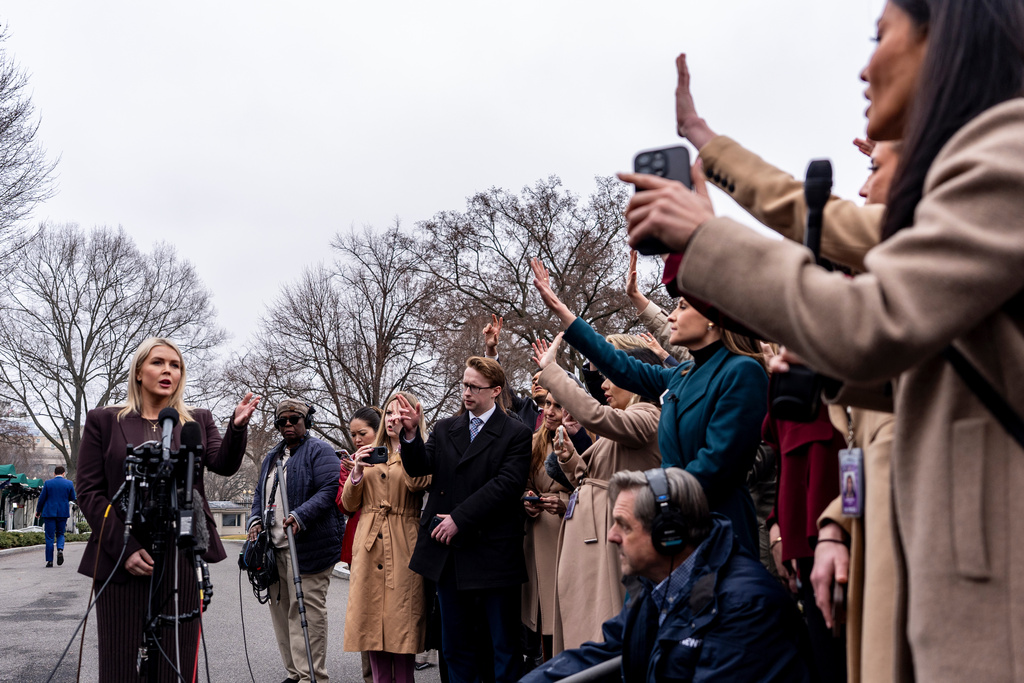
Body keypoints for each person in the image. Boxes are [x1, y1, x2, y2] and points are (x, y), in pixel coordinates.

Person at [621, 2, 1024, 678]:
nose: (864, 68)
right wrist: (709, 146)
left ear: (947, 37)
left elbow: (870, 323)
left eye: (880, 35)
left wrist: (706, 236)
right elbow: (831, 234)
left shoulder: (1007, 156)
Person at [530, 258, 768, 556]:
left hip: (716, 531)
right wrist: (561, 311)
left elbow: (716, 465)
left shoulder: (743, 372)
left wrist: (651, 502)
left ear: (712, 317)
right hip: (669, 529)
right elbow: (620, 365)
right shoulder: (681, 376)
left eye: (681, 307)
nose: (670, 317)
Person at [76, 337, 258, 682]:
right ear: (139, 372)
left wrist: (236, 427)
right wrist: (125, 549)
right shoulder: (104, 420)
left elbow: (223, 462)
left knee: (174, 664)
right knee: (120, 668)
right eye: (158, 363)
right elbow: (89, 491)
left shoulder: (197, 421)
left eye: (175, 366)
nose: (168, 371)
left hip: (180, 556)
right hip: (120, 557)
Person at [521, 467, 812, 682]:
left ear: (668, 534)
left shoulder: (746, 607)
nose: (612, 536)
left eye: (624, 525)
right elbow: (601, 654)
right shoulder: (656, 587)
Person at [397, 356, 533, 683]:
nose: (466, 393)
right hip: (450, 556)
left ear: (496, 390)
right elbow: (419, 468)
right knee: (455, 647)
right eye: (464, 384)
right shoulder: (446, 428)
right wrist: (412, 436)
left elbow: (506, 486)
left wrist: (459, 518)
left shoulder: (516, 432)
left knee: (502, 645)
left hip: (493, 553)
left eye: (474, 387)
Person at [530, 335, 663, 653]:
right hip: (590, 535)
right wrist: (568, 457)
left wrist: (552, 370)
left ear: (635, 377)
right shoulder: (631, 417)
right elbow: (591, 477)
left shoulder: (648, 415)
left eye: (612, 377)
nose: (603, 384)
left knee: (596, 638)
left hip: (603, 537)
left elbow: (596, 417)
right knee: (582, 637)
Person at [247, 399, 344, 683]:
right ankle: (294, 672)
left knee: (307, 614)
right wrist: (255, 519)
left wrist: (301, 516)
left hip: (309, 548)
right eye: (282, 422)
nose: (288, 425)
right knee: (281, 613)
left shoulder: (320, 450)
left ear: (307, 421)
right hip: (274, 547)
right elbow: (258, 494)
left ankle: (312, 676)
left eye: (294, 419)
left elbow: (330, 489)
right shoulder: (272, 456)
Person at [341, 391, 432, 683]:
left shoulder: (422, 450)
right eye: (390, 413)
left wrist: (407, 442)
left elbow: (418, 482)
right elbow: (349, 504)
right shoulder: (370, 452)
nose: (394, 418)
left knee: (401, 629)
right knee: (372, 630)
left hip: (404, 542)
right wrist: (356, 472)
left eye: (401, 413)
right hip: (369, 546)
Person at [521, 389, 591, 662]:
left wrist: (563, 502)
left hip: (570, 533)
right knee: (542, 621)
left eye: (557, 406)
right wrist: (527, 499)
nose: (549, 411)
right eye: (547, 404)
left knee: (567, 618)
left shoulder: (585, 439)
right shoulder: (533, 441)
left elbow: (592, 485)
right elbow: (524, 483)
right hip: (538, 534)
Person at [337, 405, 383, 683]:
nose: (356, 440)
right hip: (360, 546)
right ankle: (370, 677)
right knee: (365, 615)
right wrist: (355, 472)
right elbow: (342, 504)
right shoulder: (351, 463)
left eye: (362, 433)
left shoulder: (397, 457)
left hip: (394, 543)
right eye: (353, 434)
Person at [34, 465, 76, 568]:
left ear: (54, 473)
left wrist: (38, 511)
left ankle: (50, 561)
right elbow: (73, 497)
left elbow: (42, 499)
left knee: (49, 537)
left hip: (49, 513)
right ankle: (60, 549)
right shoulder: (69, 483)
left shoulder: (48, 483)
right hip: (63, 513)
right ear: (64, 473)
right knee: (61, 533)